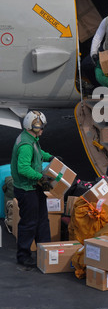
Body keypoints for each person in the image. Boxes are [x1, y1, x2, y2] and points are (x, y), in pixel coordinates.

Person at [10, 111, 54, 267]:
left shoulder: (31, 139)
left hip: (34, 187)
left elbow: (39, 152)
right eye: (41, 127)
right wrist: (40, 177)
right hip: (26, 189)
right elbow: (23, 168)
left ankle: (46, 250)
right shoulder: (26, 144)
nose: (42, 130)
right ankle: (23, 256)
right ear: (34, 127)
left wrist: (50, 157)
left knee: (42, 220)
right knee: (29, 223)